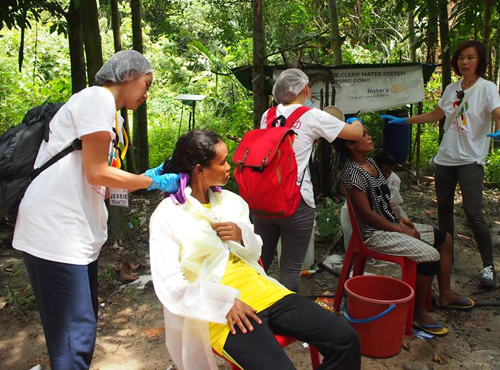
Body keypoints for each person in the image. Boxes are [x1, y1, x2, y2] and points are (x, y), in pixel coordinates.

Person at [12, 50, 179, 370]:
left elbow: (103, 179)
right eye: (146, 84)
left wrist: (146, 178)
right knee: (75, 342)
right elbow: (95, 171)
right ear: (127, 76)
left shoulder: (112, 116)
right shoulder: (97, 100)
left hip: (73, 235)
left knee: (78, 336)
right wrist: (147, 181)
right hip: (55, 233)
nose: (146, 93)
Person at [149, 129, 361, 370]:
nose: (229, 167)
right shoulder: (169, 214)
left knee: (346, 339)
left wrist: (242, 236)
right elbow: (170, 284)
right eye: (222, 162)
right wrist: (224, 302)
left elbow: (254, 254)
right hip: (216, 307)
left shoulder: (231, 202)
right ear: (199, 170)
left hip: (263, 291)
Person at [380, 40, 500, 288]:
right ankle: (446, 257)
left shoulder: (487, 88)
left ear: (479, 61)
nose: (465, 62)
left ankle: (488, 266)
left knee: (473, 213)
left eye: (471, 57)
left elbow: (499, 115)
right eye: (462, 57)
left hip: (470, 159)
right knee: (444, 210)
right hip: (445, 158)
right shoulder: (452, 88)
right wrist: (403, 121)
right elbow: (436, 115)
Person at [336, 130, 475, 337]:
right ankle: (418, 312)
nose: (369, 137)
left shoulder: (373, 165)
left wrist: (400, 219)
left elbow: (383, 200)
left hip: (391, 225)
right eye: (364, 135)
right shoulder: (353, 173)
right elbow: (367, 213)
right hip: (374, 234)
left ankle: (445, 295)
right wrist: (400, 230)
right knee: (429, 255)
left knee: (445, 239)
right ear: (351, 145)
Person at [253, 68, 363, 292]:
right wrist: (357, 121)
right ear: (304, 88)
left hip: (263, 198)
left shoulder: (268, 115)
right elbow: (355, 134)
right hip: (296, 201)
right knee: (291, 269)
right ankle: (287, 319)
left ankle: (258, 312)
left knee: (260, 263)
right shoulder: (311, 115)